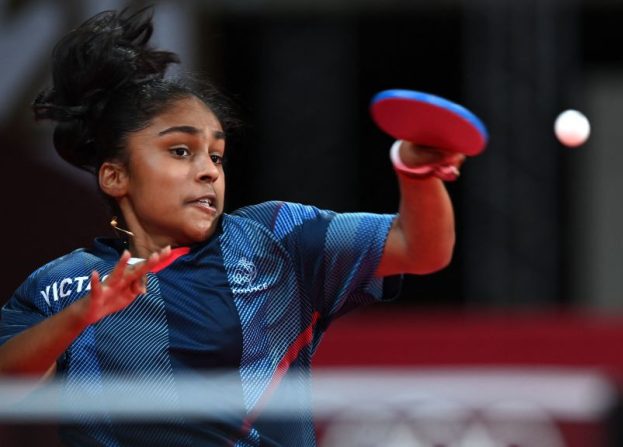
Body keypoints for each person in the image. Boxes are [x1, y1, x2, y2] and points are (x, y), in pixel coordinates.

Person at [0, 7, 464, 446]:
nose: (209, 172)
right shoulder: (59, 286)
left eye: (216, 156)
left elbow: (419, 248)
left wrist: (417, 175)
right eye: (180, 151)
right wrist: (80, 316)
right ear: (115, 175)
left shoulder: (276, 240)